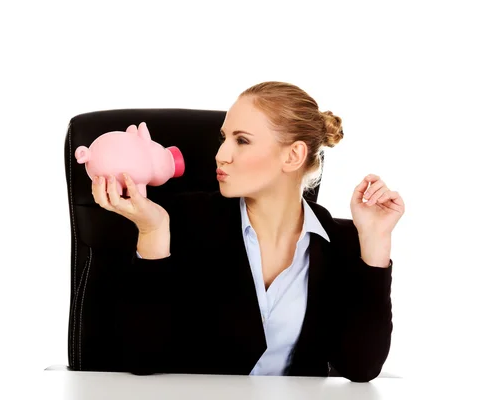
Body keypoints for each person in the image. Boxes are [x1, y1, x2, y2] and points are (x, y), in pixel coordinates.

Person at [91, 81, 405, 382]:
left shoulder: (342, 241)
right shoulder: (180, 221)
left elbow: (361, 366)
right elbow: (141, 358)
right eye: (223, 138)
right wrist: (152, 232)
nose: (220, 155)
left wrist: (376, 242)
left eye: (241, 140)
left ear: (292, 155)